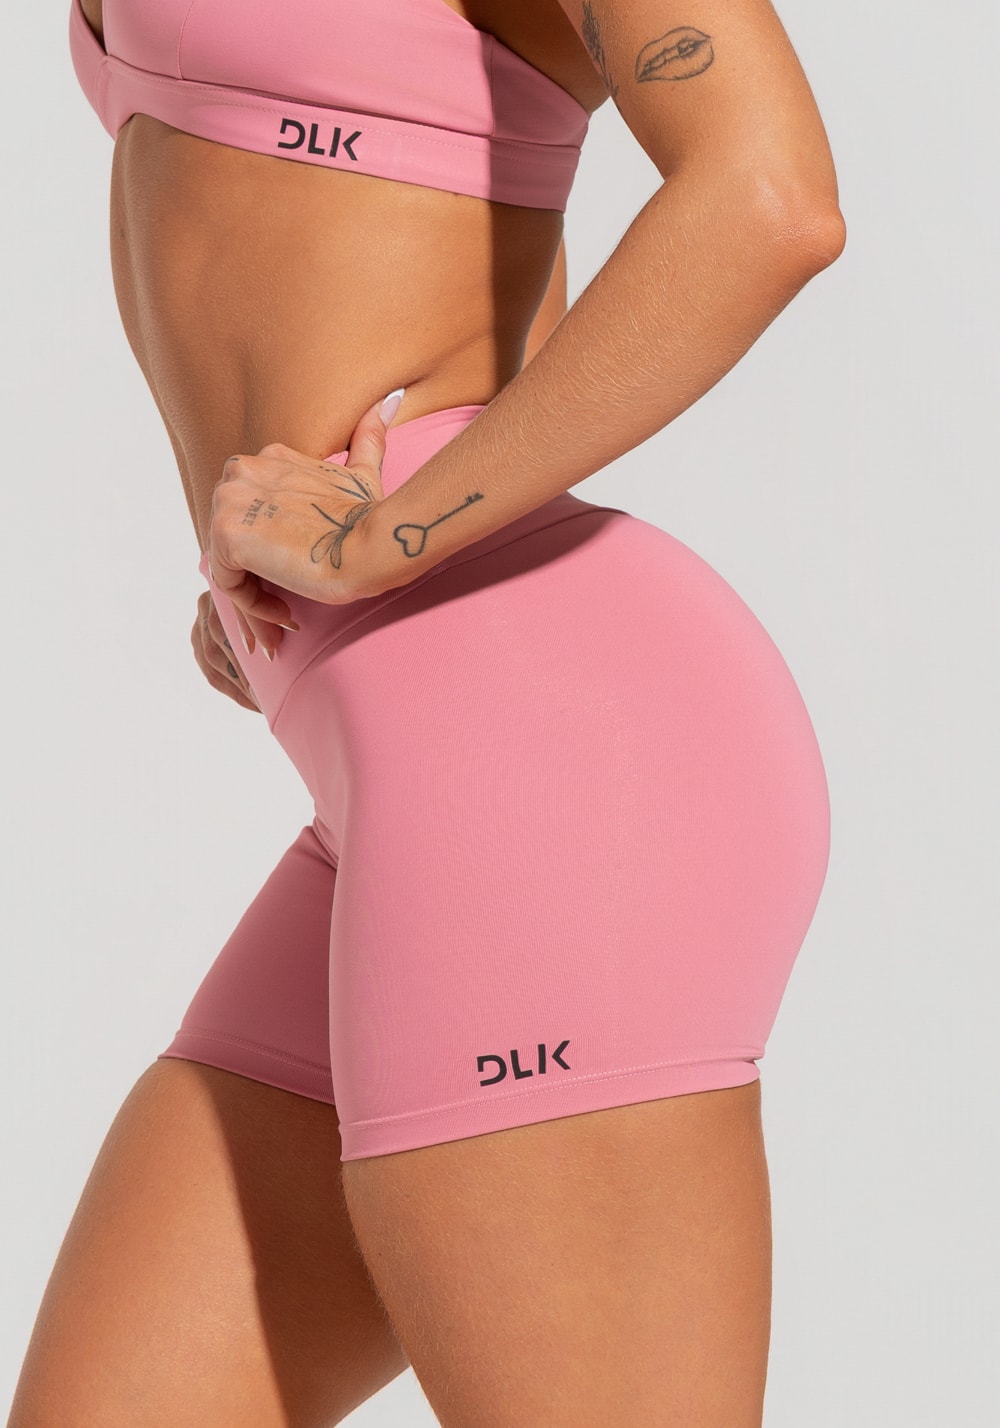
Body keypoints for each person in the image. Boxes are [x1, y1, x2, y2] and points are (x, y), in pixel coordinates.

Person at [9, 1, 845, 1423]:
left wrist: (384, 540)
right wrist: (287, 581)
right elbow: (464, 196)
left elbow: (770, 199)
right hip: (408, 754)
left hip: (542, 753)